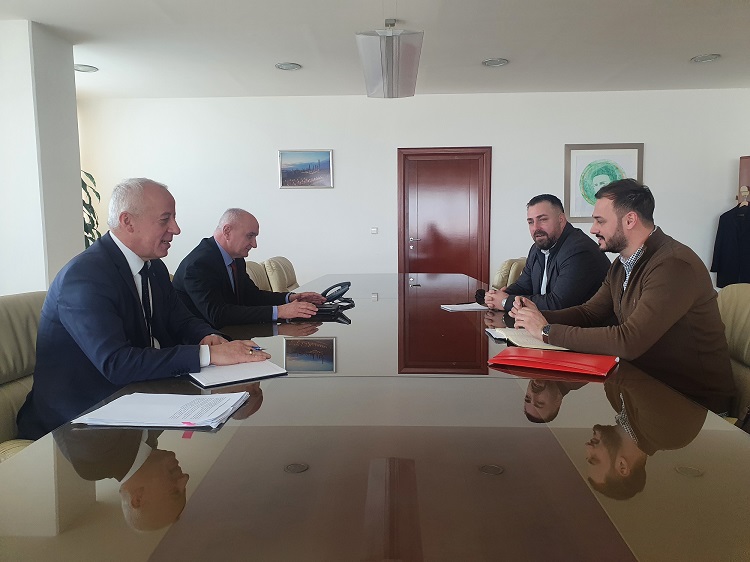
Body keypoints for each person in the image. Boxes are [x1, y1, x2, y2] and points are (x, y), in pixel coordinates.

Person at [16, 179, 270, 440]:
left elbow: (182, 319)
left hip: (138, 399)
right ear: (128, 222)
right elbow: (117, 363)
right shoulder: (84, 277)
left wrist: (208, 337)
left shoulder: (154, 267)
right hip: (76, 423)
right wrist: (209, 355)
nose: (176, 229)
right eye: (165, 219)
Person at [511, 179, 735, 414]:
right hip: (644, 389)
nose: (593, 229)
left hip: (694, 405)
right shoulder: (621, 264)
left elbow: (629, 341)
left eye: (600, 221)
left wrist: (547, 331)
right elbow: (590, 313)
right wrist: (536, 316)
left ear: (630, 220)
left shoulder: (673, 265)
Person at [172, 209, 325, 329]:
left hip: (233, 334)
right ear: (227, 231)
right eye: (250, 236)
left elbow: (251, 296)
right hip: (202, 344)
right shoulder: (199, 264)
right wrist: (280, 311)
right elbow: (218, 315)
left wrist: (290, 298)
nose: (254, 244)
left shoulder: (236, 258)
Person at [585, 362, 706, 500]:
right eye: (594, 459)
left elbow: (608, 359)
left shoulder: (614, 399)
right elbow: (630, 371)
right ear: (622, 466)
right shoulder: (667, 434)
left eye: (587, 457)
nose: (587, 447)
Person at [484, 194, 610, 312]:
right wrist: (500, 295)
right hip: (548, 323)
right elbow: (523, 286)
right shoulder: (537, 248)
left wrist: (506, 301)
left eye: (542, 220)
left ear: (561, 219)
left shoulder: (579, 251)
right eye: (530, 222)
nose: (535, 228)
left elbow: (557, 304)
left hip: (582, 326)